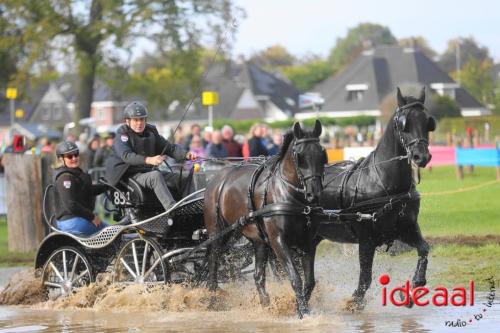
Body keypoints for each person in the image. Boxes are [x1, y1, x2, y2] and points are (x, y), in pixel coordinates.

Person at [105, 102, 197, 213]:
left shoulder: (151, 132)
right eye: (136, 120)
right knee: (155, 175)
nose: (139, 123)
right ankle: (172, 210)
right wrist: (149, 159)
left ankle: (191, 207)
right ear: (127, 121)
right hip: (130, 176)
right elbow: (127, 156)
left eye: (142, 119)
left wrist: (186, 155)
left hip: (147, 173)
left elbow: (170, 148)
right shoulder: (122, 135)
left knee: (185, 177)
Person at [53, 141, 108, 236]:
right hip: (72, 221)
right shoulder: (65, 177)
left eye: (76, 154)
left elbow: (89, 191)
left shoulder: (74, 173)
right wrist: (92, 217)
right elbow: (71, 204)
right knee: (110, 231)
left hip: (77, 218)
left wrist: (108, 185)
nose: (74, 158)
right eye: (69, 156)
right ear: (61, 159)